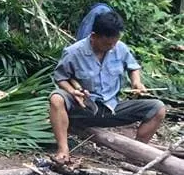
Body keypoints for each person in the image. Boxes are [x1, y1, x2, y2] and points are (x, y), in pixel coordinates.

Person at [49, 10, 166, 164]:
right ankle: (63, 150)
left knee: (158, 108)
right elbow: (61, 77)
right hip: (84, 108)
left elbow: (133, 67)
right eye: (107, 44)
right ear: (93, 36)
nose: (111, 47)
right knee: (56, 98)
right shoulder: (74, 52)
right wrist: (72, 91)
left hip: (113, 108)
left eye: (114, 43)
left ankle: (135, 155)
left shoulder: (120, 48)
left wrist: (136, 82)